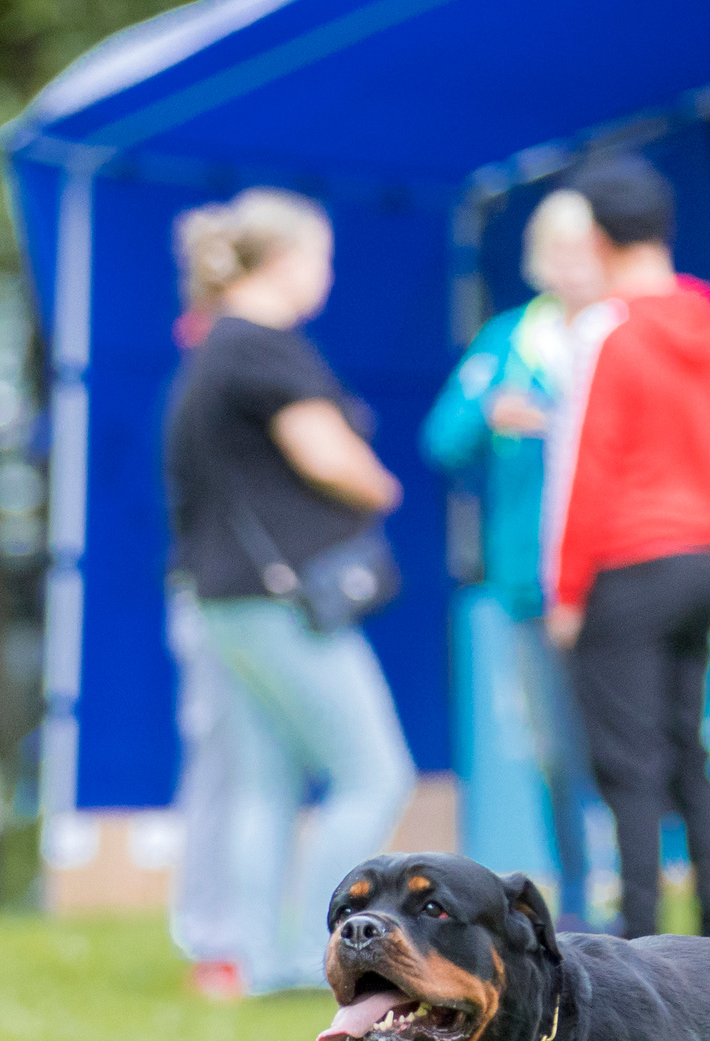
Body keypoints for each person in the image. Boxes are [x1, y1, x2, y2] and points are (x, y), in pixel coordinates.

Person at [163, 187, 417, 996]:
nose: (327, 278)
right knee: (375, 774)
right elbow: (323, 452)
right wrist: (379, 484)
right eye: (323, 259)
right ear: (287, 260)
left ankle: (259, 960)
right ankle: (329, 959)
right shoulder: (266, 347)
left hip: (225, 599)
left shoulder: (212, 348)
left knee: (264, 784)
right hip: (282, 601)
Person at [544, 156, 710, 942]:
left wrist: (564, 592)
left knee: (627, 765)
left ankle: (636, 936)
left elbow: (581, 469)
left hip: (626, 563)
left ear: (597, 237)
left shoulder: (606, 331)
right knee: (687, 749)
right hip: (703, 556)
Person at [421, 189, 602, 930]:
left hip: (614, 576)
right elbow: (443, 440)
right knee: (555, 748)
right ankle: (583, 898)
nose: (567, 265)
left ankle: (652, 892)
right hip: (530, 581)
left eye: (580, 247)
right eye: (553, 248)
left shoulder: (621, 331)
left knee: (629, 742)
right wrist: (491, 408)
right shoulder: (508, 340)